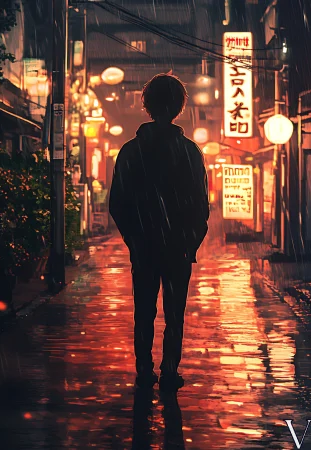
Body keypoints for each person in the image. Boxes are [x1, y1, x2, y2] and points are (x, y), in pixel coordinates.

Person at [109, 73, 209, 391]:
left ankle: (144, 368)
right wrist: (189, 243)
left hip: (144, 247)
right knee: (174, 313)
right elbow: (201, 207)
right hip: (178, 247)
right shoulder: (190, 152)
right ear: (179, 106)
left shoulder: (131, 151)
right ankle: (169, 369)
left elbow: (118, 204)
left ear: (147, 105)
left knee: (144, 310)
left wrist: (135, 239)